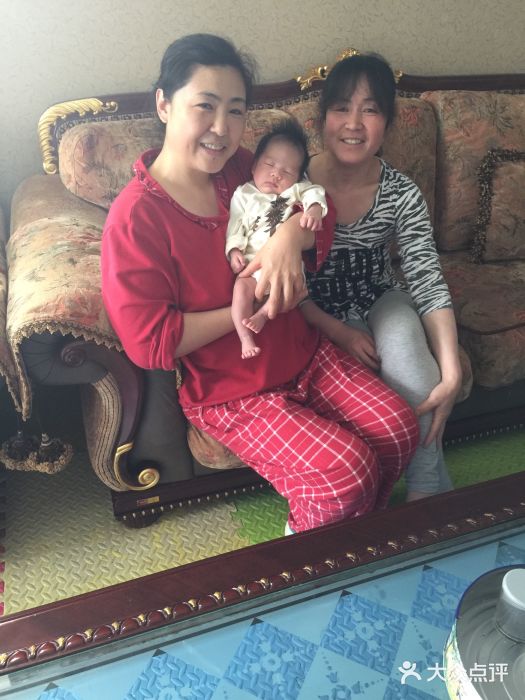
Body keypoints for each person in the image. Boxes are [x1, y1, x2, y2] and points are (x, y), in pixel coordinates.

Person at [101, 33, 419, 534]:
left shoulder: (240, 171)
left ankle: (357, 538)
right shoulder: (136, 218)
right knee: (345, 471)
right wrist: (240, 316)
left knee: (398, 429)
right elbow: (150, 342)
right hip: (233, 392)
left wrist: (290, 238)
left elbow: (318, 215)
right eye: (205, 106)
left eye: (236, 110)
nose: (221, 128)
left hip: (305, 353)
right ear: (164, 104)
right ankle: (308, 554)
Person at [301, 52, 462, 502]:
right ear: (322, 118)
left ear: (387, 124)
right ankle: (391, 493)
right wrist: (340, 331)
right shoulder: (294, 184)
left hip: (380, 296)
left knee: (409, 350)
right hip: (315, 311)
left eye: (370, 110)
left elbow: (426, 278)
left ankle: (425, 488)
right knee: (364, 383)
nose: (354, 123)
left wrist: (450, 372)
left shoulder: (401, 193)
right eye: (341, 108)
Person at [226, 119, 328, 358]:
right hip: (253, 265)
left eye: (287, 172)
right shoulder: (243, 194)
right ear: (254, 165)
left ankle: (264, 314)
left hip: (286, 265)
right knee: (240, 290)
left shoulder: (294, 190)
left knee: (287, 289)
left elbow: (314, 192)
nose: (276, 174)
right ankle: (245, 338)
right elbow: (235, 224)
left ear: (298, 178)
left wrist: (314, 209)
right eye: (269, 164)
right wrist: (234, 250)